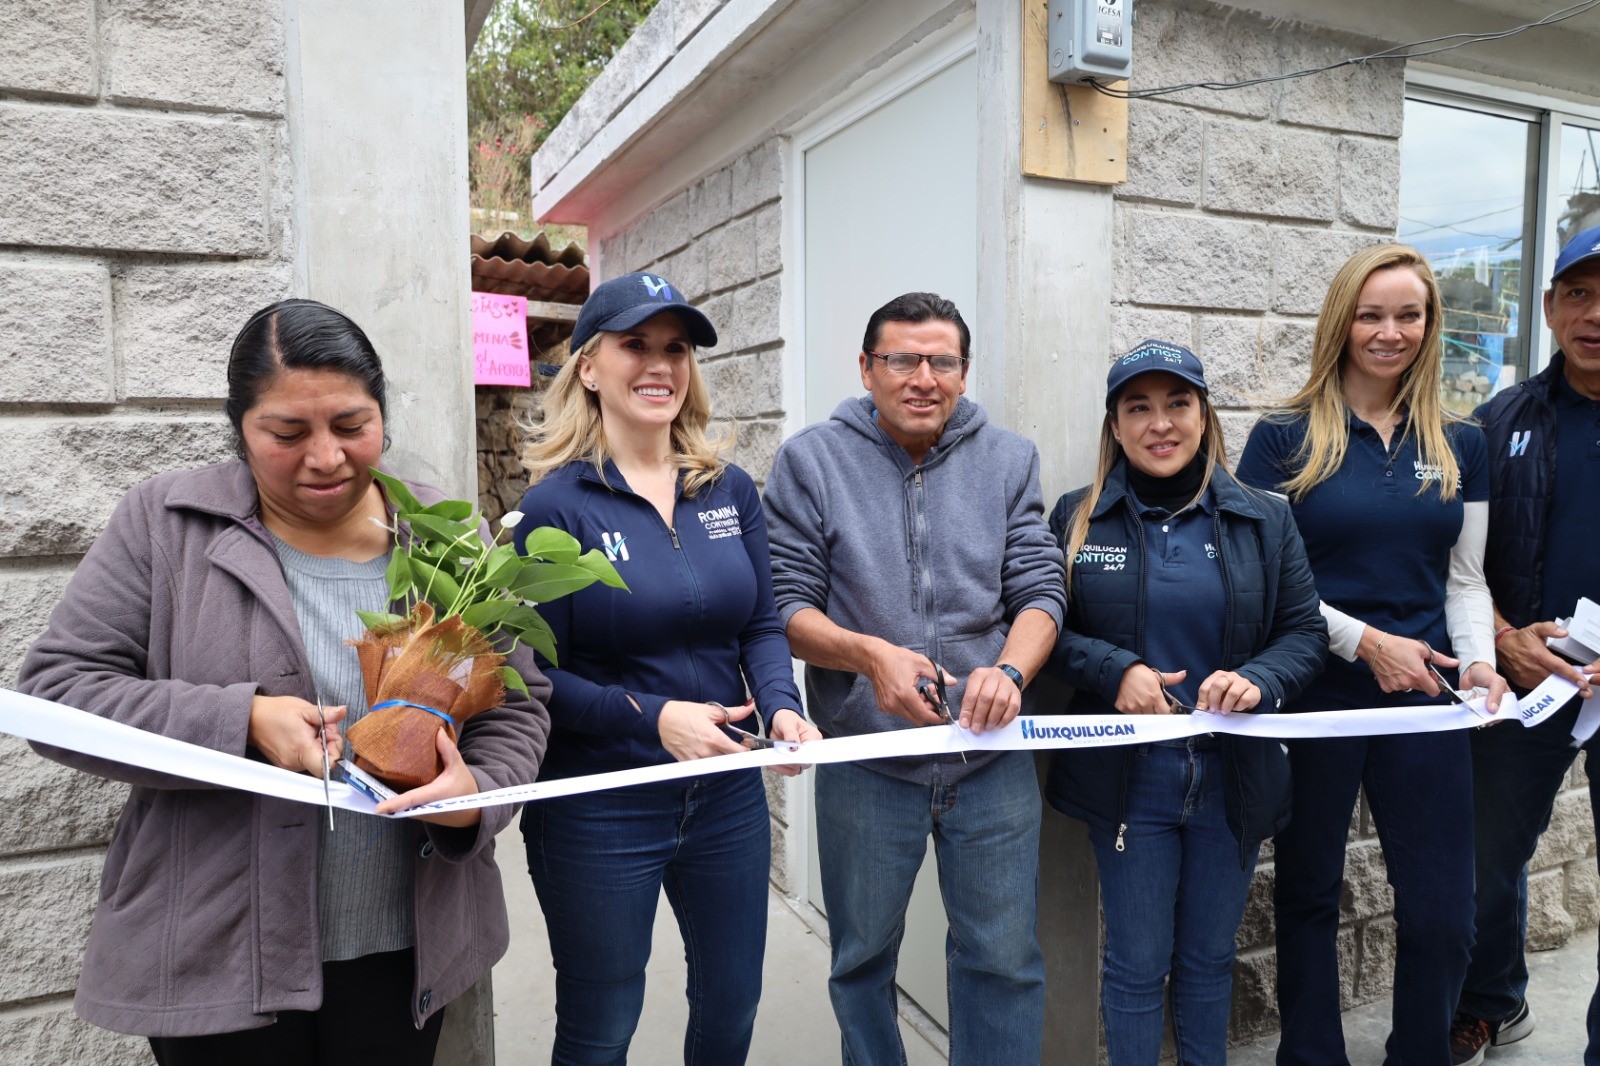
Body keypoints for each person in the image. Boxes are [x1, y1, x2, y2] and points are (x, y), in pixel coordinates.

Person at [17, 299, 551, 1064]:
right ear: (240, 428)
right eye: (287, 433)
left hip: (405, 949)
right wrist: (243, 723)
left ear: (381, 414)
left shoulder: (447, 539)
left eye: (351, 425)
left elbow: (516, 705)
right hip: (221, 954)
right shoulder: (166, 525)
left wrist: (474, 798)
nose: (327, 457)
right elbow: (55, 694)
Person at [513, 272, 821, 1065]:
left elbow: (759, 621)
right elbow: (531, 678)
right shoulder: (555, 510)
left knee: (730, 1004)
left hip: (724, 798)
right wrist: (653, 717)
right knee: (601, 1023)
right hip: (601, 804)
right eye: (635, 346)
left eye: (676, 349)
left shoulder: (730, 490)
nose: (660, 366)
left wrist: (781, 704)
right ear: (588, 367)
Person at [763, 291, 1066, 1065]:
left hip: (992, 758)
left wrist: (1010, 670)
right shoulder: (811, 461)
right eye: (902, 359)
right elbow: (786, 605)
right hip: (867, 762)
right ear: (867, 368)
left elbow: (1041, 589)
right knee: (862, 960)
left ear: (964, 374)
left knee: (1003, 961)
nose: (923, 377)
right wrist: (871, 657)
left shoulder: (1009, 459)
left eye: (943, 362)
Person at [1235, 244, 1510, 1066]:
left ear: (1430, 325)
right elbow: (1262, 583)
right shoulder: (1282, 437)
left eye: (1409, 315)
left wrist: (1479, 662)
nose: (1389, 333)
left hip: (1427, 697)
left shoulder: (1462, 439)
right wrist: (1365, 641)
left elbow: (1464, 580)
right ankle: (1310, 1056)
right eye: (1371, 314)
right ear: (1341, 320)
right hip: (1316, 689)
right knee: (1310, 890)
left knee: (1441, 909)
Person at [1046, 340, 1327, 1065]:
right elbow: (1048, 633)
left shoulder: (1266, 517)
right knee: (1137, 968)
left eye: (1177, 404)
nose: (1159, 423)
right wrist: (1116, 671)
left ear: (1205, 415)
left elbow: (1305, 633)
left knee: (1207, 966)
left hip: (1230, 777)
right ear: (1115, 424)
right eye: (1138, 407)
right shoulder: (1079, 518)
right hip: (1130, 780)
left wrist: (1259, 680)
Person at [1449, 225, 1600, 1066]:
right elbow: (1461, 560)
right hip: (1532, 676)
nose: (1595, 313)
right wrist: (1506, 637)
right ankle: (1491, 1001)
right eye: (1578, 293)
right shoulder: (1498, 421)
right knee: (1485, 857)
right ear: (1547, 307)